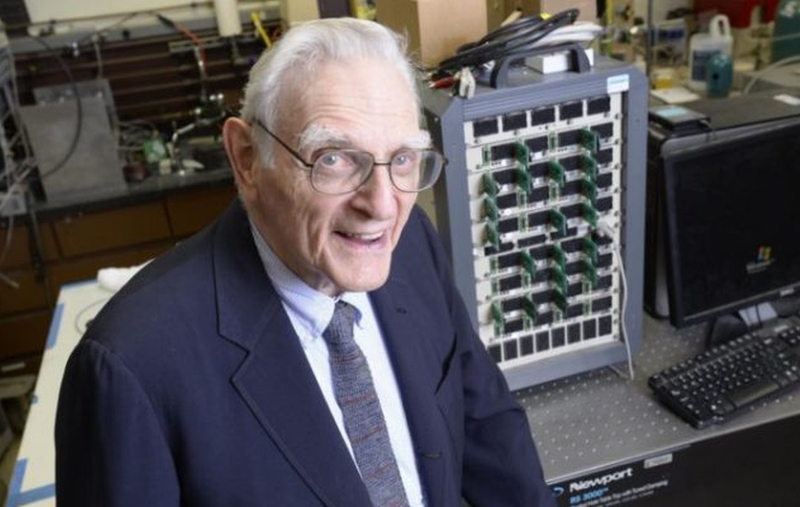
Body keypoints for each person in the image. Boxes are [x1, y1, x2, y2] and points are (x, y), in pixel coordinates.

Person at [55, 17, 555, 507]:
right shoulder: (131, 367)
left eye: (403, 158)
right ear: (247, 158)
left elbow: (486, 421)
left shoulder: (411, 243)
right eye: (335, 159)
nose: (383, 207)